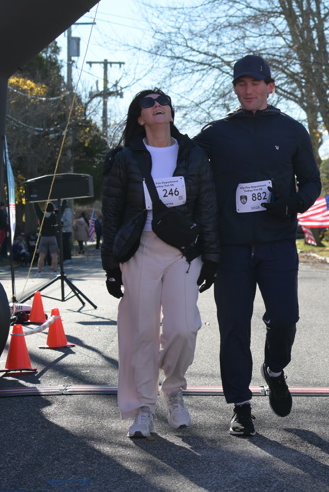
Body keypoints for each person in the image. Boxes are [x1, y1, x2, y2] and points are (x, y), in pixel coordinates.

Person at [193, 55, 321, 437]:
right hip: (231, 247)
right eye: (241, 84)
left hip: (277, 243)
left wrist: (294, 203)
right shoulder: (216, 133)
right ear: (235, 88)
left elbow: (311, 182)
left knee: (285, 319)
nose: (248, 90)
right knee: (234, 328)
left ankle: (275, 370)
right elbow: (180, 161)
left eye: (255, 83)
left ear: (270, 87)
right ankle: (241, 406)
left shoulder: (292, 130)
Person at [101, 89, 220, 439]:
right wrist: (111, 265)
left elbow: (207, 207)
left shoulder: (193, 155)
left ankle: (174, 389)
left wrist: (212, 257)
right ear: (139, 118)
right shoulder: (125, 158)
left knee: (183, 327)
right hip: (140, 249)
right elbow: (111, 213)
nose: (157, 105)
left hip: (184, 250)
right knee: (142, 331)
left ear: (171, 112)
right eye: (148, 103)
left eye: (162, 101)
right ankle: (144, 407)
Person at [36, 202, 59, 277]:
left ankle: (39, 272)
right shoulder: (54, 216)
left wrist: (35, 201)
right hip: (52, 237)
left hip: (43, 237)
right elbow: (62, 208)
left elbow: (37, 208)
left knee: (41, 256)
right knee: (54, 255)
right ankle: (55, 271)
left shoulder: (41, 215)